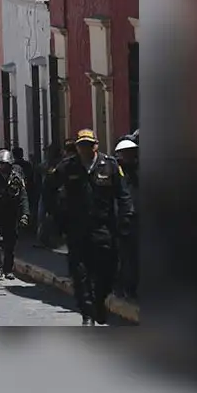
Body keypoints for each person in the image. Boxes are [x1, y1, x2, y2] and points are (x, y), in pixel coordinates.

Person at [47, 129, 134, 325]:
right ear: (77, 147)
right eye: (81, 145)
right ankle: (87, 312)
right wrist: (56, 214)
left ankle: (99, 302)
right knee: (80, 273)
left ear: (96, 145)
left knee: (107, 270)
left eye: (88, 145)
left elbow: (123, 194)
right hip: (77, 228)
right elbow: (49, 188)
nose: (85, 149)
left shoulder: (110, 165)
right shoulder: (68, 166)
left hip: (104, 228)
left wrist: (126, 216)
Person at [0, 149, 30, 280]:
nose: (3, 167)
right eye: (1, 164)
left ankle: (8, 270)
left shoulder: (16, 178)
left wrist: (25, 215)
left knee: (10, 245)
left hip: (11, 215)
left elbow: (23, 197)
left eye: (6, 164)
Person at [114, 137, 139, 300]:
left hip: (138, 218)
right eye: (127, 154)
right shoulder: (114, 171)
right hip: (121, 219)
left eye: (132, 153)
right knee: (123, 256)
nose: (130, 156)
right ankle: (123, 287)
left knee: (136, 255)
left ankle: (132, 287)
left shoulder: (139, 170)